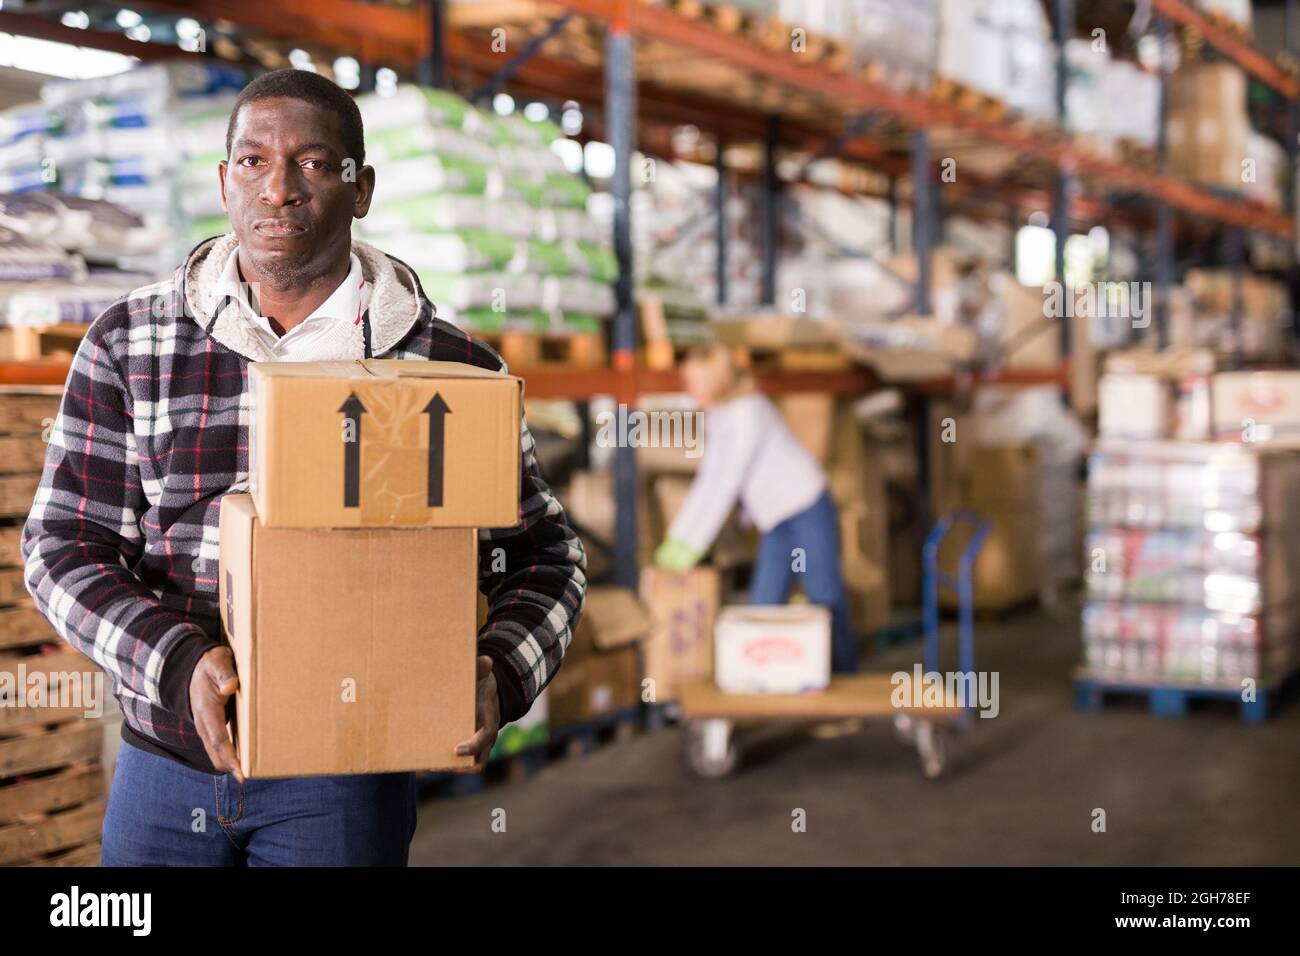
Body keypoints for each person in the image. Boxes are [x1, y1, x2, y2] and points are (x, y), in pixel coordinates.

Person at [21, 70, 586, 866]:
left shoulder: (445, 368)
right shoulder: (131, 344)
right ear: (224, 183)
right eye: (252, 162)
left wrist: (501, 669)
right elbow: (61, 547)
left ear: (362, 191)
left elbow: (546, 556)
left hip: (344, 781)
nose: (278, 190)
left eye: (315, 164)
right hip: (162, 767)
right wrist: (177, 660)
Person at [653, 343, 858, 673]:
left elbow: (726, 485)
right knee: (765, 603)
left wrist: (692, 546)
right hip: (776, 520)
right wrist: (676, 538)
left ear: (714, 381)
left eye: (693, 382)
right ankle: (765, 685)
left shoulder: (750, 412)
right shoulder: (720, 416)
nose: (689, 390)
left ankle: (848, 688)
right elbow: (709, 479)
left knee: (825, 597)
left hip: (806, 508)